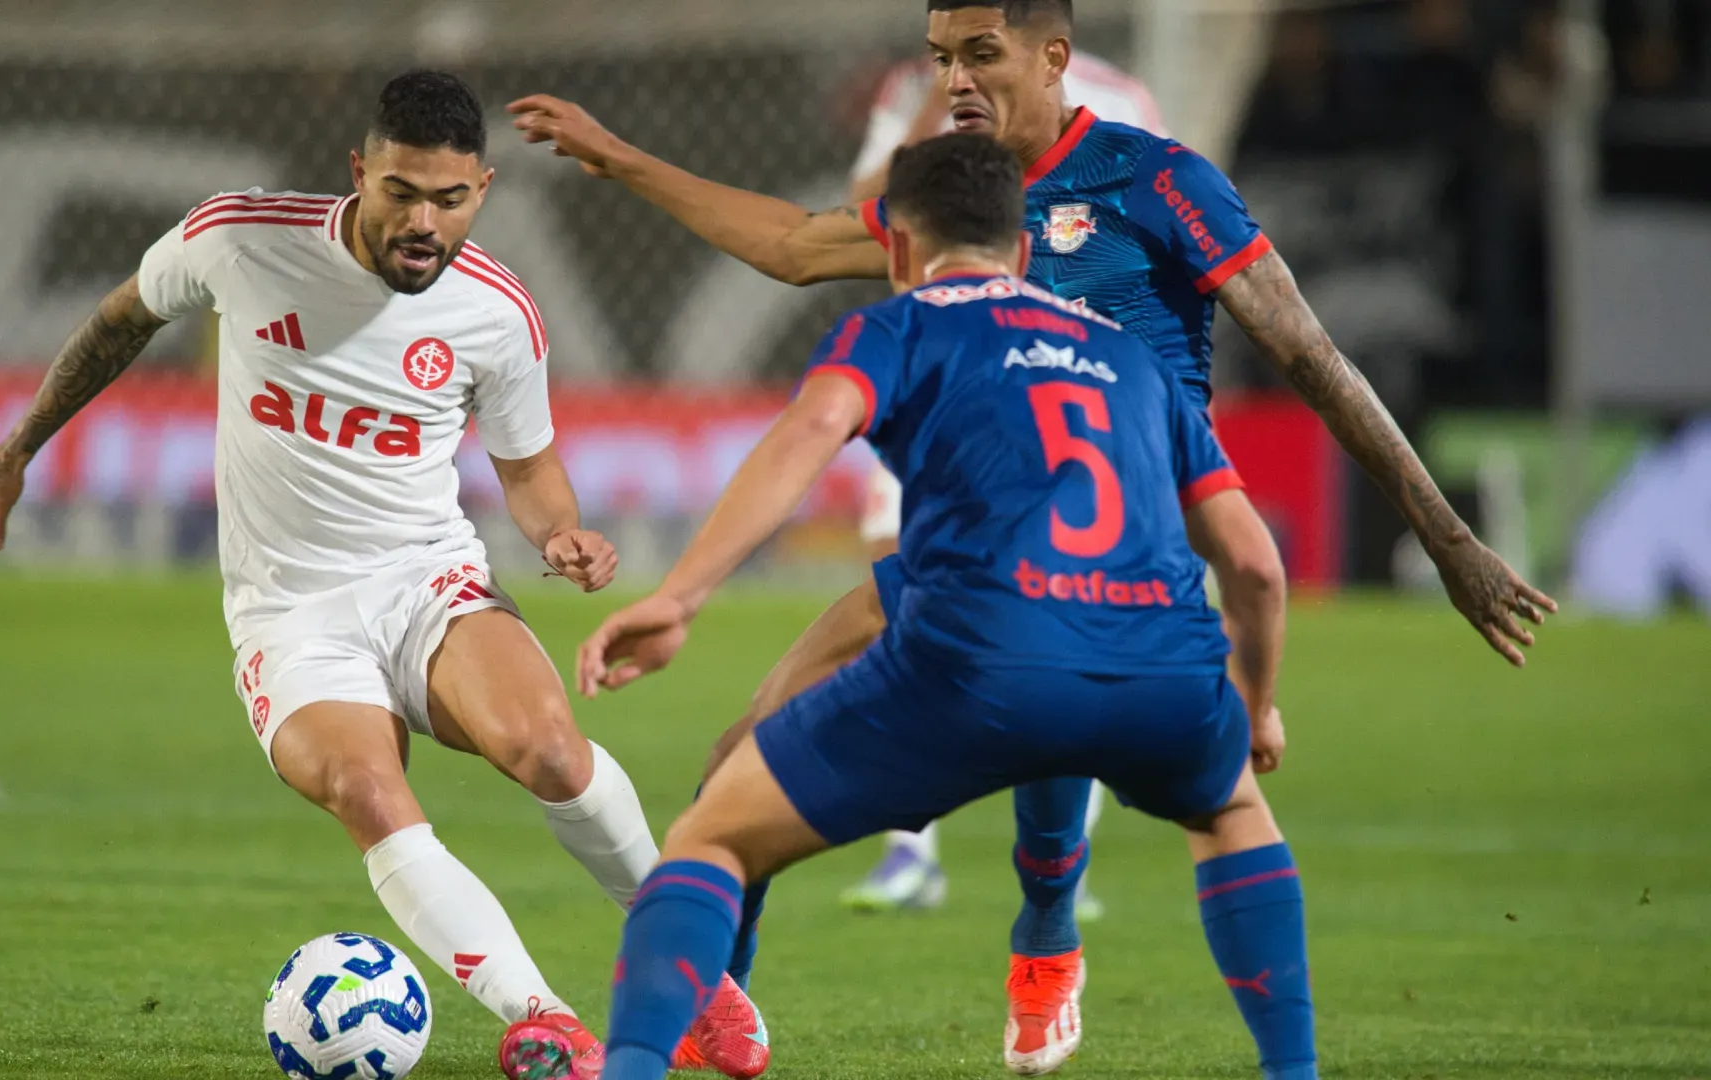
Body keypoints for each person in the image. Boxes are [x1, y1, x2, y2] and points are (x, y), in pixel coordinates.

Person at [512, 1, 1554, 1069]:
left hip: (1126, 547)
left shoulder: (1157, 182)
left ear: (1054, 57)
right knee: (738, 755)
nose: (955, 80)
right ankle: (713, 1021)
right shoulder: (954, 201)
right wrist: (622, 157)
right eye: (938, 58)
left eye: (979, 55)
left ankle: (1046, 938)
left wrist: (1448, 538)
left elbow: (1314, 358)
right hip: (953, 560)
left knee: (1038, 734)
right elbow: (787, 242)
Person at [0, 69, 747, 1080]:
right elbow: (120, 320)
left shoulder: (495, 313)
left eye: (449, 201)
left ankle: (697, 976)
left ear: (483, 191)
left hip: (426, 581)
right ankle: (543, 1018)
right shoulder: (239, 239)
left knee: (549, 749)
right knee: (369, 788)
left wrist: (559, 538)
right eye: (402, 192)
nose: (424, 221)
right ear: (358, 172)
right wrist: (16, 449)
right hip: (290, 612)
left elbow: (530, 470)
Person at [576, 132, 1313, 1080]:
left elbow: (807, 433)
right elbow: (1255, 566)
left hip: (983, 653)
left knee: (713, 830)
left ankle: (645, 1055)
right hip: (1159, 659)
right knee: (1235, 815)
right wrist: (1250, 705)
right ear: (1020, 252)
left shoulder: (901, 325)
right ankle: (1294, 1071)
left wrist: (679, 595)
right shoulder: (1133, 363)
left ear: (896, 251)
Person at [841, 38, 1164, 920]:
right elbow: (866, 211)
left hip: (1067, 391)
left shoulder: (1122, 99)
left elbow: (1157, 235)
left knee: (1073, 605)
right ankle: (909, 847)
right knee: (894, 588)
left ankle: (1064, 863)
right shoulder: (915, 87)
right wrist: (920, 118)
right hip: (945, 376)